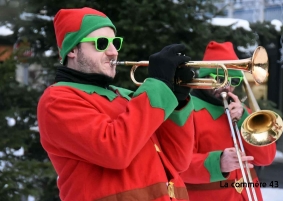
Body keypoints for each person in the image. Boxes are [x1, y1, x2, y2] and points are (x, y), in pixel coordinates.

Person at [37, 7, 195, 201]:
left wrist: (176, 102)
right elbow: (116, 151)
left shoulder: (126, 96)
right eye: (102, 43)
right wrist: (159, 85)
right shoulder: (58, 100)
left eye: (115, 42)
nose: (113, 52)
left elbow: (178, 160)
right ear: (73, 50)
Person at [180, 41, 277, 201]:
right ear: (204, 78)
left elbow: (266, 157)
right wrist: (218, 163)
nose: (226, 86)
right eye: (219, 78)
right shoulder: (186, 111)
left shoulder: (242, 111)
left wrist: (245, 121)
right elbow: (177, 166)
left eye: (233, 81)